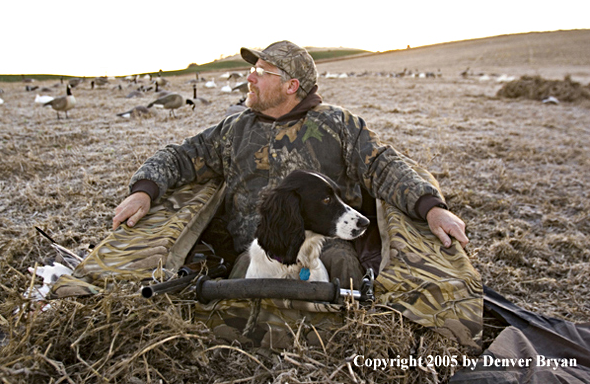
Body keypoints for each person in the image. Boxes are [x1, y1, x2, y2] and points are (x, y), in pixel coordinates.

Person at [112, 40, 469, 289]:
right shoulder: (234, 129)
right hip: (257, 248)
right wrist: (144, 191)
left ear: (290, 85)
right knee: (237, 291)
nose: (249, 77)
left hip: (326, 247)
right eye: (252, 69)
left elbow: (385, 166)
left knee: (346, 277)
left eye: (261, 71)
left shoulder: (338, 125)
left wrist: (432, 208)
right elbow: (179, 156)